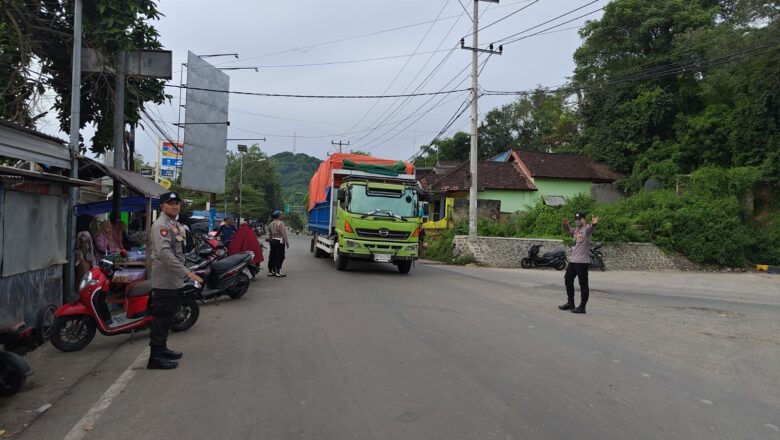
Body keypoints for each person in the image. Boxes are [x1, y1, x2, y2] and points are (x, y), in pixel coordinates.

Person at [148, 191, 203, 369]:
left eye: (176, 203)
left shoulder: (174, 224)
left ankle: (162, 349)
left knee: (168, 316)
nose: (174, 206)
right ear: (162, 206)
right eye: (170, 203)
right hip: (165, 280)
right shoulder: (161, 226)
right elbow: (165, 253)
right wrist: (187, 273)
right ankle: (155, 357)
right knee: (161, 318)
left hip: (173, 280)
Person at [559, 212, 599, 314]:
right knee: (568, 279)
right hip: (573, 260)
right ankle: (570, 302)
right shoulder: (576, 230)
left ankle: (582, 306)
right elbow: (569, 230)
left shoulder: (587, 229)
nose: (577, 220)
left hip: (582, 262)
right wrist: (565, 224)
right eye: (576, 219)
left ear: (584, 219)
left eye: (579, 218)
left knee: (583, 284)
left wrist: (594, 223)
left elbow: (592, 228)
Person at [75, 214, 96, 291]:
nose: (91, 224)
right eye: (90, 222)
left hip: (79, 261)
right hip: (85, 263)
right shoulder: (85, 234)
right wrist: (94, 265)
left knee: (79, 283)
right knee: (84, 285)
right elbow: (88, 254)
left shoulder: (77, 232)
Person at [267, 210, 289, 277]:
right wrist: (286, 242)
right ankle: (278, 272)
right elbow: (283, 233)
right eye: (281, 215)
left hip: (272, 241)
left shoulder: (271, 223)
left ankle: (270, 271)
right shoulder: (280, 223)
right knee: (280, 256)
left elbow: (270, 233)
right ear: (279, 216)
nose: (282, 216)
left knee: (272, 256)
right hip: (279, 241)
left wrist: (270, 240)